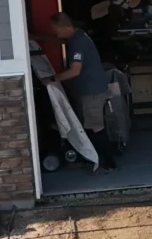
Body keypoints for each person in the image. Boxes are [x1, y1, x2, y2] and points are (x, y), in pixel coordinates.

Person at [48, 13, 112, 150]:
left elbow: (75, 70)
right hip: (92, 88)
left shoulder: (78, 42)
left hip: (92, 91)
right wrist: (36, 38)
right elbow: (58, 40)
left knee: (96, 126)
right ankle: (97, 158)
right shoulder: (77, 36)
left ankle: (107, 163)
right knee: (91, 124)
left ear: (67, 27)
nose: (55, 31)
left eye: (56, 28)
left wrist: (53, 79)